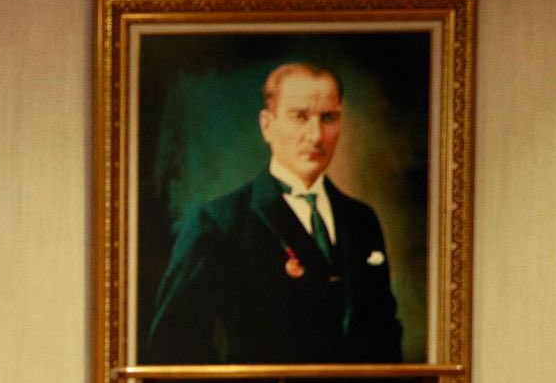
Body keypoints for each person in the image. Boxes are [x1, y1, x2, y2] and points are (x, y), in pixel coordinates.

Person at [144, 62, 404, 367]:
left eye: (328, 118)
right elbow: (175, 345)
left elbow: (384, 337)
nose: (316, 135)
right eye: (299, 117)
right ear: (267, 125)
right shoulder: (219, 223)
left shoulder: (361, 220)